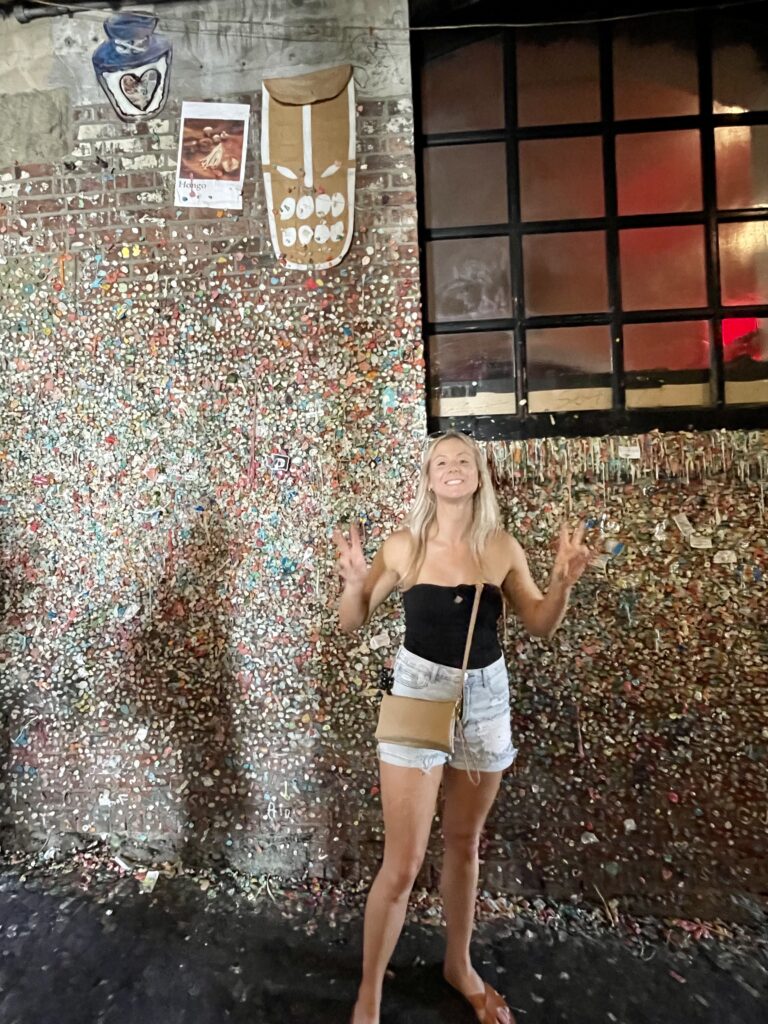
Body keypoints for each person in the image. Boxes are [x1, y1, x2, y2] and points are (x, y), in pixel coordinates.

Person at [334, 430, 592, 1024]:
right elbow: (351, 622)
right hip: (417, 695)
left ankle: (459, 965)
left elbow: (539, 622)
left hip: (485, 700)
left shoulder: (500, 546)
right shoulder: (403, 546)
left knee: (462, 844)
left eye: (464, 461)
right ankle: (369, 996)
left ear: (478, 477)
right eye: (441, 462)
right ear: (428, 479)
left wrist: (563, 584)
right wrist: (352, 586)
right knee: (401, 863)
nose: (452, 468)